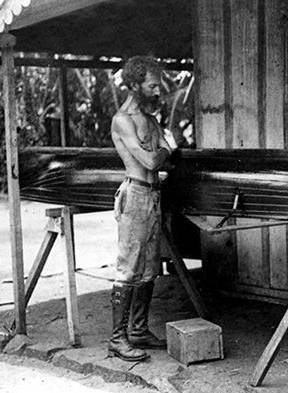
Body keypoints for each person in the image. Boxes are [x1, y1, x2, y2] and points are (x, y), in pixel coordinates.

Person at [108, 56, 176, 362]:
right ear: (134, 85)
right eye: (151, 85)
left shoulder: (151, 121)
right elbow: (152, 161)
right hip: (134, 195)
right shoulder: (122, 121)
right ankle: (116, 339)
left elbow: (171, 158)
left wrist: (162, 153)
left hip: (153, 196)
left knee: (149, 269)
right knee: (129, 270)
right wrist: (163, 151)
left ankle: (137, 329)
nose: (158, 90)